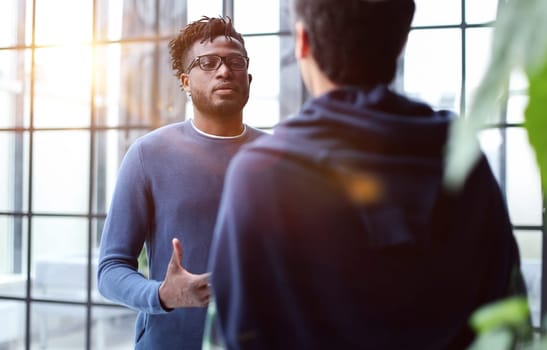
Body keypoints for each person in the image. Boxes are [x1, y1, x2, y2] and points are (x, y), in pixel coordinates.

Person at [207, 1, 526, 349]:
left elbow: (236, 334)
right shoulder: (462, 158)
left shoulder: (257, 173)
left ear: (302, 42)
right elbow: (507, 318)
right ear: (401, 40)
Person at [97, 16, 265, 350]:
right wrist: (161, 294)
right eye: (208, 62)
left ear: (248, 77)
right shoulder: (148, 154)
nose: (224, 71)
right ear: (186, 81)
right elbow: (110, 270)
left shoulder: (278, 157)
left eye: (235, 62)